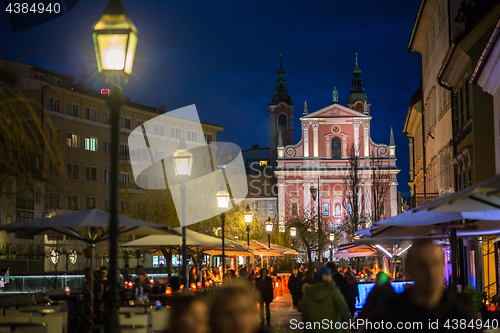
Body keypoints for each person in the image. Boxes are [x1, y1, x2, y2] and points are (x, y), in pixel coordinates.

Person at [364, 239, 480, 332]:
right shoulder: (390, 314)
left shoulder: (460, 313)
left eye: (435, 263)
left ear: (442, 267)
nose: (431, 271)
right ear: (408, 270)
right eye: (422, 265)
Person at [300, 267, 351, 333]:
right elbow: (344, 309)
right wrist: (350, 326)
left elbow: (305, 316)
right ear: (325, 277)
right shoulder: (333, 291)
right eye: (330, 276)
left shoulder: (307, 293)